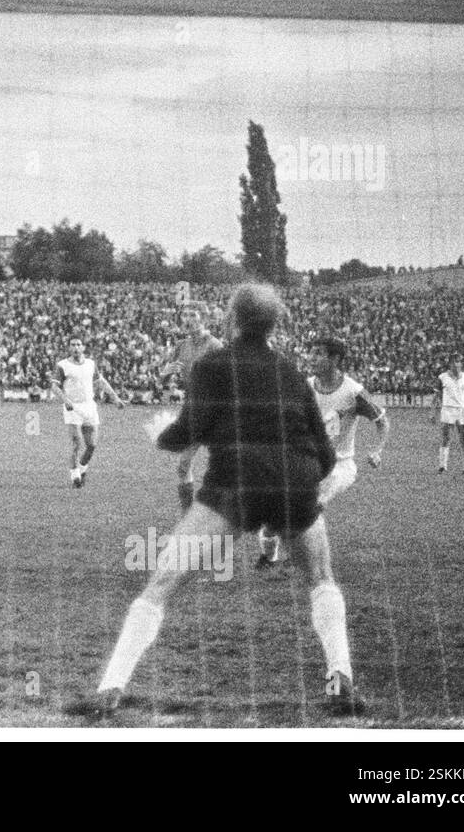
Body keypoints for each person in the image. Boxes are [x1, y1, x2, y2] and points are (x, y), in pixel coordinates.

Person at [66, 283, 361, 719]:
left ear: (232, 320)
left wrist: (161, 434)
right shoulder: (292, 374)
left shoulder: (212, 365)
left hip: (235, 482)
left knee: (162, 582)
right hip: (294, 482)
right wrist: (297, 487)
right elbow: (325, 455)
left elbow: (189, 431)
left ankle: (110, 689)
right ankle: (342, 682)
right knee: (321, 578)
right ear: (272, 323)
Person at [258, 337, 390, 568]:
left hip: (339, 466)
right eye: (312, 353)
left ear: (335, 359)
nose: (313, 358)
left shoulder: (354, 391)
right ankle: (269, 558)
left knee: (308, 505)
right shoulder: (305, 386)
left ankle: (297, 558)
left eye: (319, 353)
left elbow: (382, 422)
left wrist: (377, 450)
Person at [157, 306, 222, 509]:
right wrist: (164, 373)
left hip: (217, 412)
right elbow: (163, 382)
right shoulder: (181, 345)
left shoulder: (214, 345)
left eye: (193, 315)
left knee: (229, 467)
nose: (188, 319)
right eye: (184, 315)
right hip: (194, 410)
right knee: (183, 464)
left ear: (204, 318)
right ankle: (187, 517)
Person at [49, 337, 126, 488]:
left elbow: (100, 382)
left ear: (83, 347)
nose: (76, 347)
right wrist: (65, 400)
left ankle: (82, 469)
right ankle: (75, 476)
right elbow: (54, 386)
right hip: (73, 407)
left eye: (78, 344)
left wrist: (115, 398)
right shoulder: (62, 365)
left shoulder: (91, 364)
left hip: (89, 406)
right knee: (76, 442)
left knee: (92, 445)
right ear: (69, 348)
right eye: (73, 345)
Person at [433, 353, 464, 475]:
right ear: (450, 363)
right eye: (453, 362)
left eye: (458, 362)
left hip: (462, 410)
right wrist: (433, 413)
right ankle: (442, 467)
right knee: (446, 438)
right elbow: (437, 396)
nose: (456, 364)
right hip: (447, 410)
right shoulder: (442, 377)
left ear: (461, 363)